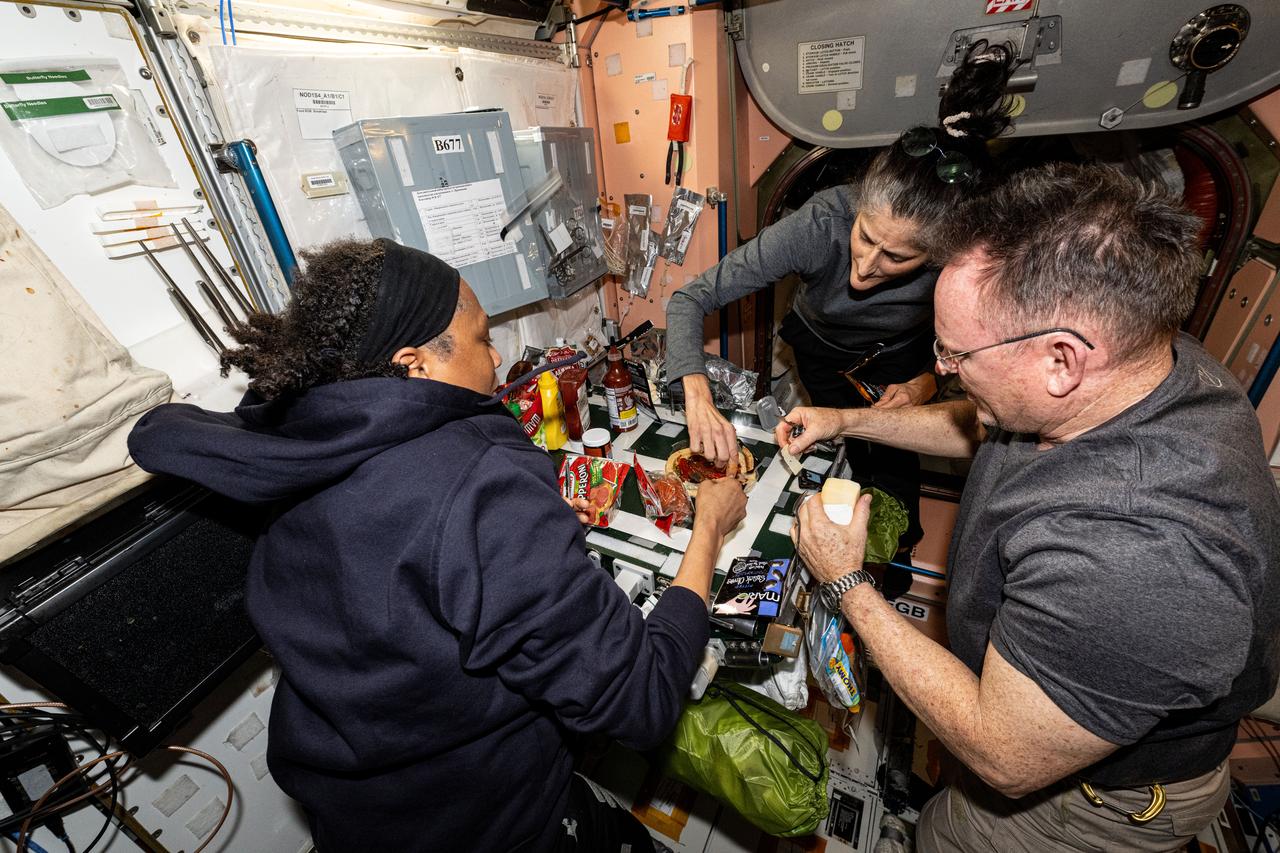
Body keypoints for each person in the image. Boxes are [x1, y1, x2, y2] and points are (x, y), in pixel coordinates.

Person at [127, 238, 747, 853]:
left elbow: (401, 554)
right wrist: (710, 531)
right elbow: (642, 697)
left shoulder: (289, 444)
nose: (497, 356)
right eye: (481, 338)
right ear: (414, 365)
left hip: (358, 816)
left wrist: (524, 541)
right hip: (489, 824)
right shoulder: (481, 486)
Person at [780, 163, 1280, 851]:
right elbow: (987, 422)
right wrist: (846, 421)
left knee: (944, 836)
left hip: (1091, 801)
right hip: (1044, 711)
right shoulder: (1138, 359)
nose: (942, 368)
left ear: (1061, 360)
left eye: (955, 351)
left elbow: (1004, 756)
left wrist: (846, 582)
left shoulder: (1140, 556)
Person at [666, 42, 1017, 547]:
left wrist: (925, 383)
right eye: (865, 237)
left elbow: (977, 363)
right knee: (837, 457)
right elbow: (689, 298)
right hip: (821, 352)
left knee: (894, 478)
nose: (865, 268)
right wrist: (696, 394)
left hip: (900, 361)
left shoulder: (966, 262)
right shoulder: (818, 223)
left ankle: (890, 566)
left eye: (896, 258)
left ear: (939, 255)